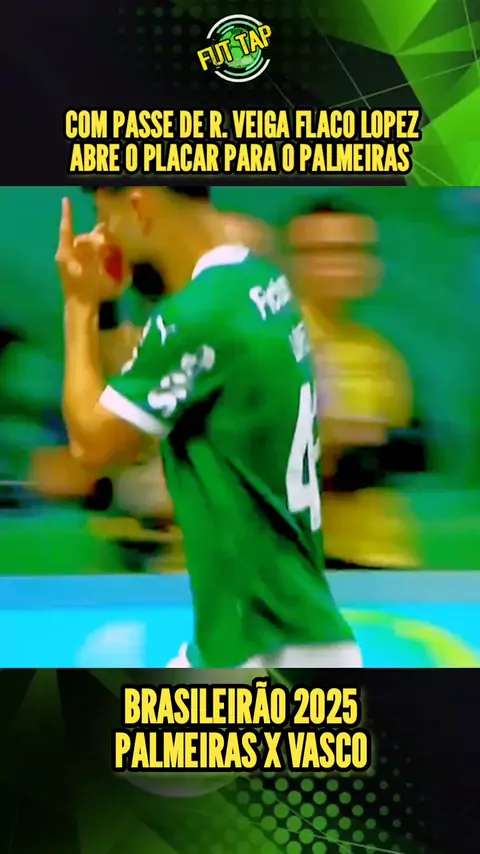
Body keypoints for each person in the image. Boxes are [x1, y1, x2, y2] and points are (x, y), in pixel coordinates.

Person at [57, 185, 361, 668]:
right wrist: (110, 308)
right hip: (276, 633)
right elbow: (140, 397)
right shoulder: (261, 282)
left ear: (138, 205)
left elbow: (93, 445)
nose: (103, 233)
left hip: (266, 650)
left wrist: (80, 304)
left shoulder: (199, 316)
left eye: (104, 214)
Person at [288, 200, 419, 569]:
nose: (341, 265)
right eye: (323, 252)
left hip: (380, 552)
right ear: (291, 263)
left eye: (355, 251)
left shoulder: (381, 355)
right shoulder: (280, 343)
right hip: (310, 558)